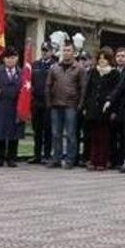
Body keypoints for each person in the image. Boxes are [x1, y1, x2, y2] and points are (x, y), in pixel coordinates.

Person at [46, 40, 85, 169]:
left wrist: (80, 105)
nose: (66, 53)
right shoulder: (54, 67)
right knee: (55, 133)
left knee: (70, 134)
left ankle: (70, 159)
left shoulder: (79, 68)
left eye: (69, 50)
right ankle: (56, 158)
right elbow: (48, 85)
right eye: (64, 50)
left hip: (71, 105)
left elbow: (83, 88)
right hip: (55, 104)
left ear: (74, 53)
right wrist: (49, 102)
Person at [83, 47, 121, 170]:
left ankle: (102, 161)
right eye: (100, 59)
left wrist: (114, 110)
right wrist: (85, 106)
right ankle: (93, 160)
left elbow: (117, 93)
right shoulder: (94, 72)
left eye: (104, 59)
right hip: (93, 108)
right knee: (93, 136)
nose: (102, 61)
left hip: (106, 109)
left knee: (104, 136)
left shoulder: (114, 73)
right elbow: (88, 90)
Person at [0, 47, 23, 167]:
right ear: (4, 59)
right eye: (8, 58)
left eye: (13, 58)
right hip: (1, 104)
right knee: (0, 132)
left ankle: (12, 158)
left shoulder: (22, 72)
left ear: (17, 59)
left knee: (14, 132)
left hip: (15, 105)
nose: (11, 60)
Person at [29, 42, 56, 164]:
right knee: (37, 130)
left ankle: (47, 155)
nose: (44, 52)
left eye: (47, 50)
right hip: (36, 101)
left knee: (48, 130)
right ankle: (37, 155)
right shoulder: (35, 65)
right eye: (43, 50)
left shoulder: (55, 65)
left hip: (49, 101)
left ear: (51, 52)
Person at [109, 47, 125, 169]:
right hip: (112, 108)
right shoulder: (112, 71)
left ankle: (121, 160)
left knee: (124, 137)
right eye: (118, 56)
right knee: (111, 136)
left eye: (123, 56)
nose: (120, 59)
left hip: (124, 109)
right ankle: (112, 159)